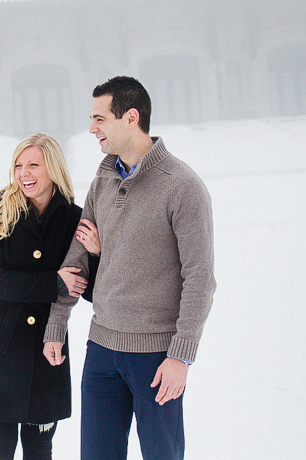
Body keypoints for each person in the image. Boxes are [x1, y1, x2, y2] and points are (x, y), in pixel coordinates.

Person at [43, 76, 216, 460]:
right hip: (102, 349)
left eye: (99, 119)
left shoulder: (182, 185)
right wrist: (56, 325)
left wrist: (181, 356)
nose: (92, 129)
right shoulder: (102, 180)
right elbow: (76, 262)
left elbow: (200, 278)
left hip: (156, 357)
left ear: (131, 117)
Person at [0, 133, 91, 460]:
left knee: (40, 449)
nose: (24, 173)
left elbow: (87, 288)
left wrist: (96, 253)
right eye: (18, 165)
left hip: (48, 349)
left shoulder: (74, 217)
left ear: (53, 168)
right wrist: (53, 282)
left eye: (33, 164)